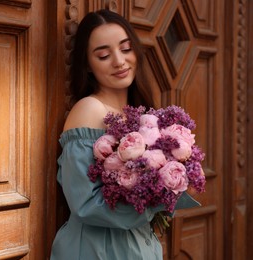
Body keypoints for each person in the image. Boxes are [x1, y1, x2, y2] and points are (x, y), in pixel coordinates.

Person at [50, 9, 200, 260]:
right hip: (97, 249)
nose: (119, 61)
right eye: (104, 55)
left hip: (137, 246)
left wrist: (176, 180)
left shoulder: (143, 118)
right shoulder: (89, 109)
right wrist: (162, 198)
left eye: (126, 48)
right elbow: (86, 205)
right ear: (88, 64)